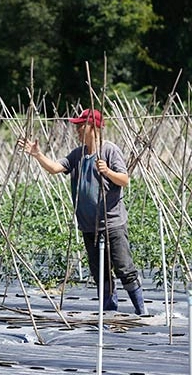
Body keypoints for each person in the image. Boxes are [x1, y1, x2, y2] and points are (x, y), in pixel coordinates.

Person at [17, 109, 147, 315]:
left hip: (112, 223)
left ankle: (141, 311)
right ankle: (109, 314)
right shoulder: (78, 154)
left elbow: (124, 180)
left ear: (93, 127)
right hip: (88, 225)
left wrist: (107, 171)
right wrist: (37, 155)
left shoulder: (109, 151)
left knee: (124, 268)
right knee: (100, 273)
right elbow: (54, 168)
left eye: (80, 125)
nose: (76, 129)